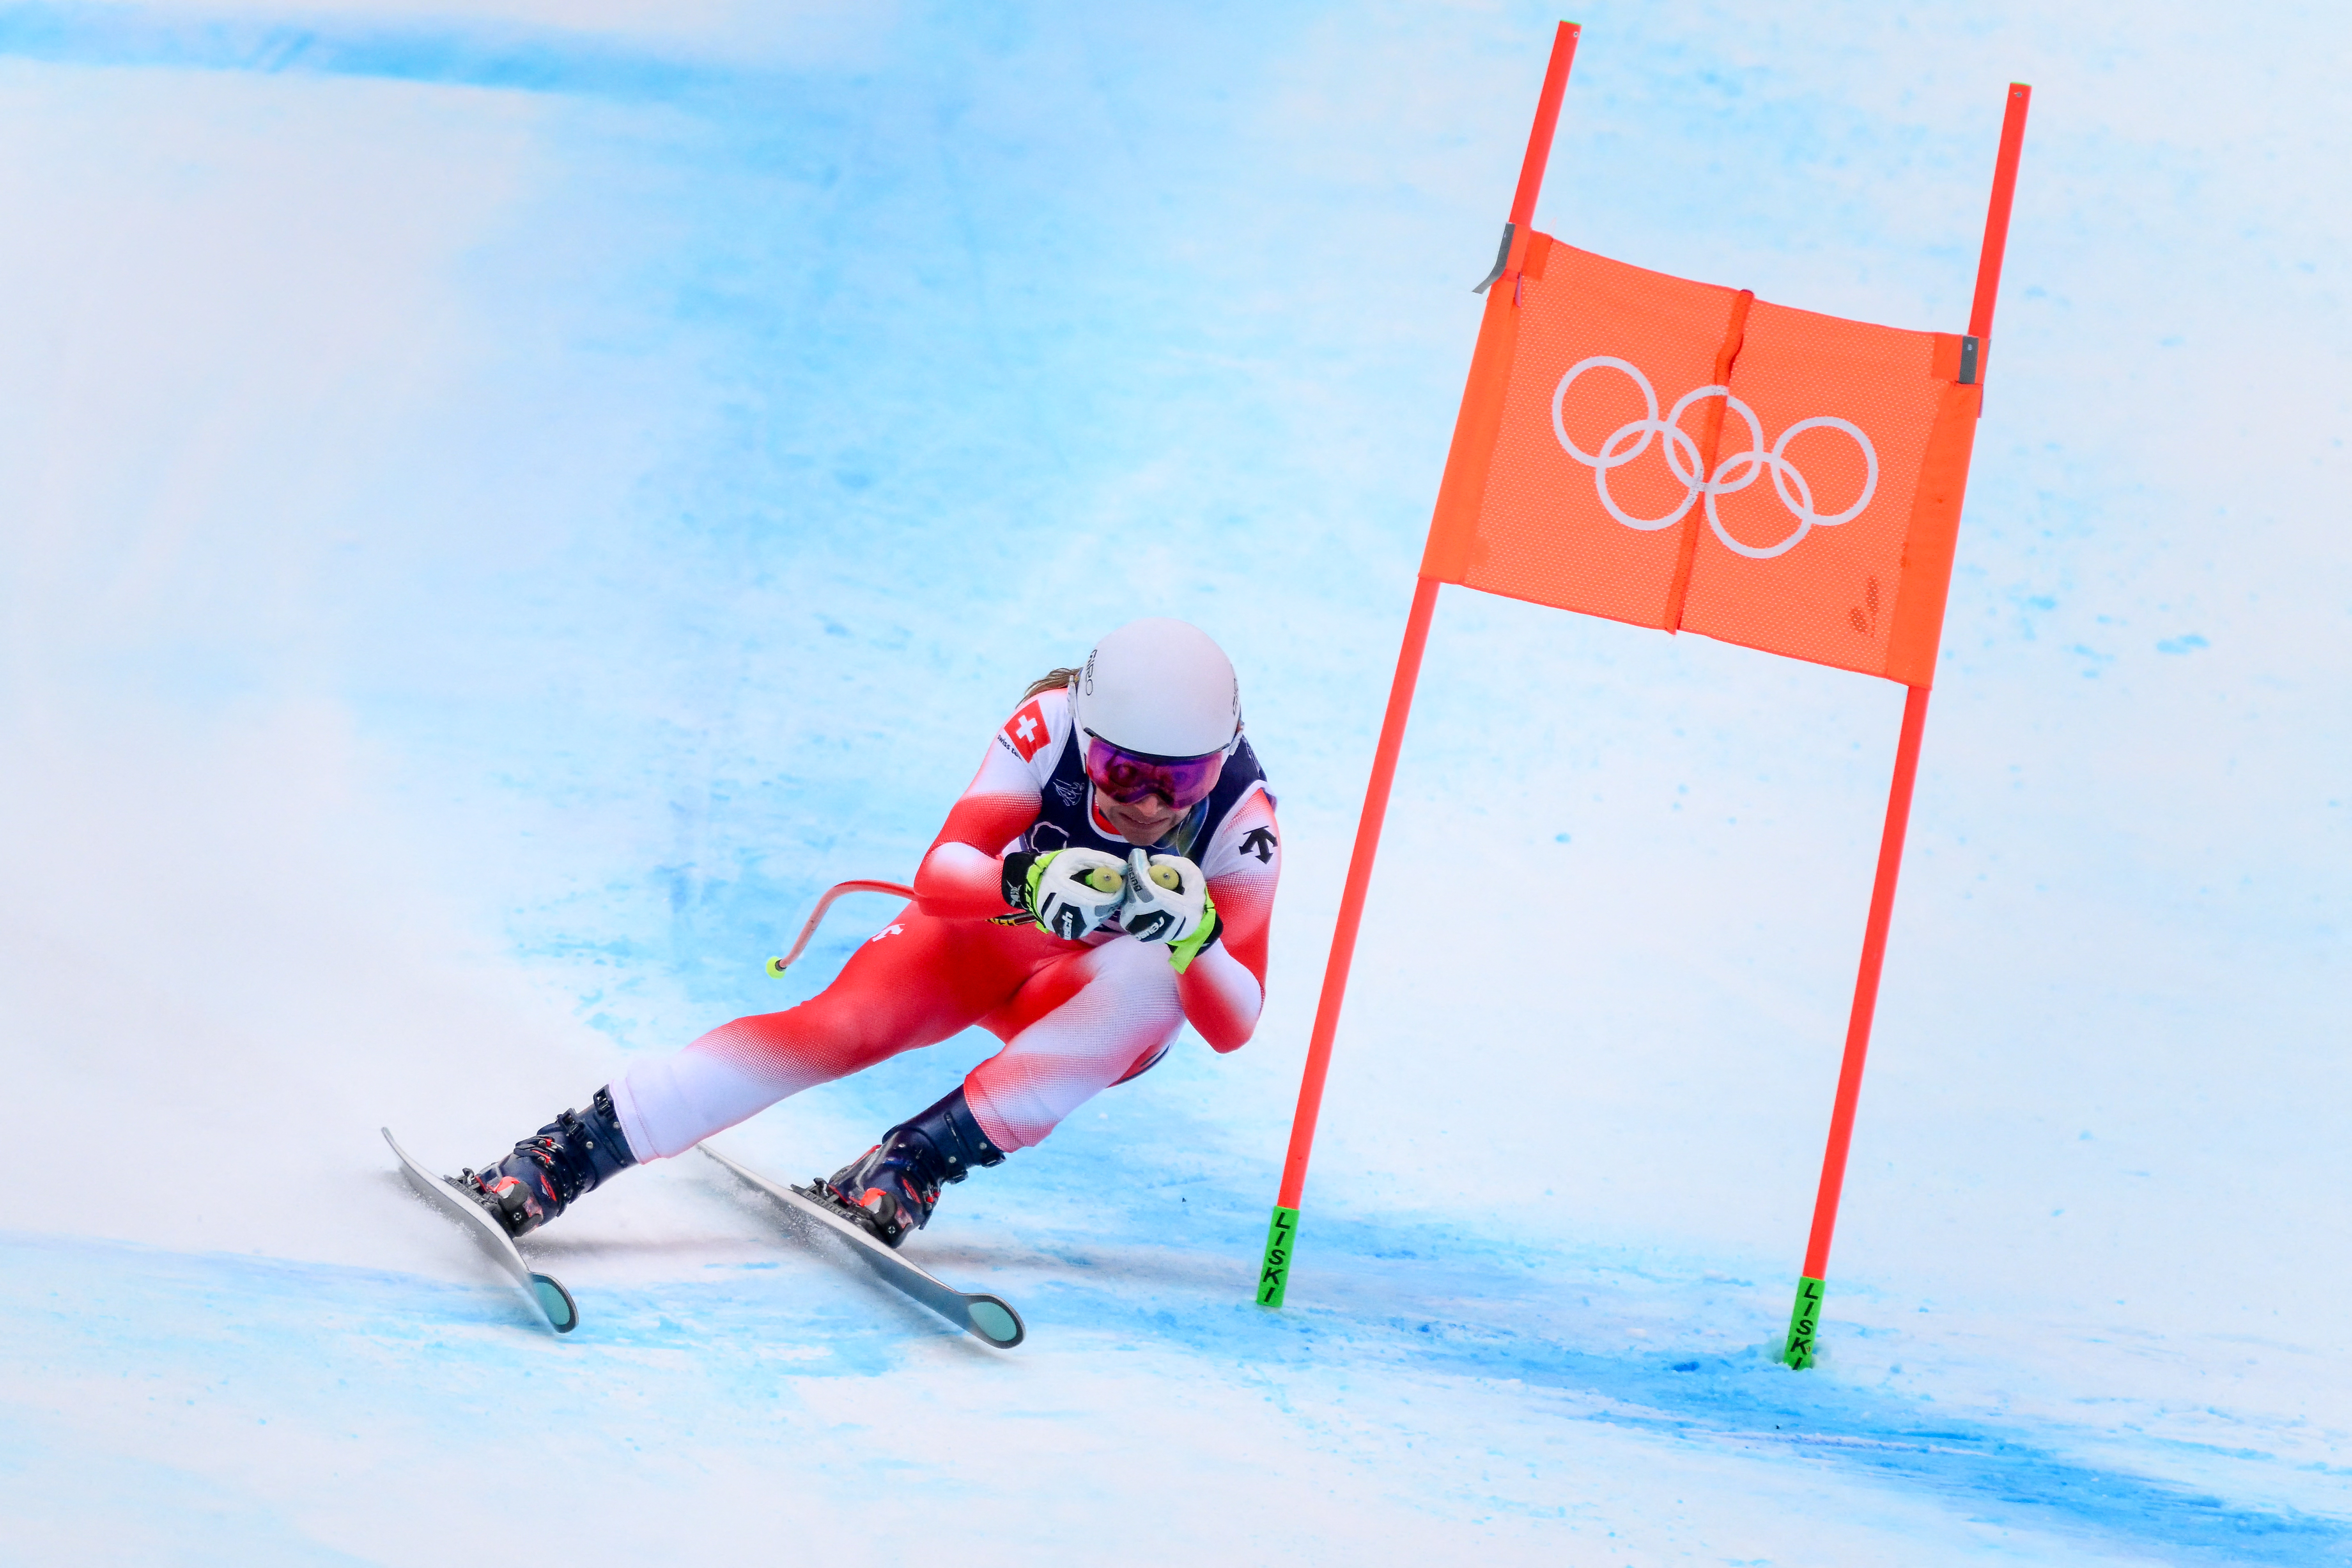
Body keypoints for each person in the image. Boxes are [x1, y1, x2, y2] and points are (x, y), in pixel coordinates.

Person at [458, 618, 1282, 1247]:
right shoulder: (1046, 728)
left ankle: (916, 1162)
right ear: (1088, 735)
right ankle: (574, 1150)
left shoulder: (1244, 818)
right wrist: (1024, 879)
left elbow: (1234, 1023)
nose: (1148, 802)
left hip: (1082, 1011)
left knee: (1153, 984)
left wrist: (1198, 937)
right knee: (835, 1031)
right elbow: (942, 871)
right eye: (1122, 771)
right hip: (990, 938)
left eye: (1182, 779)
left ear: (1224, 758)